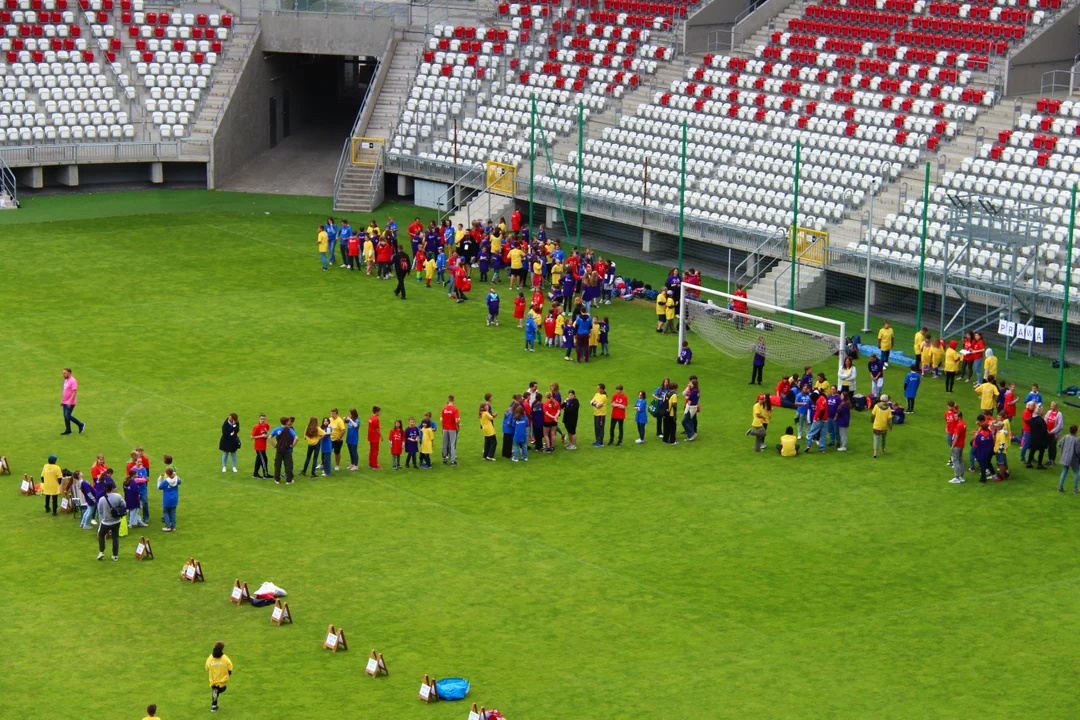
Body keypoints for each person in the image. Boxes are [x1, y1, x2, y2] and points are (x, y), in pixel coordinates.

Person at [96, 478, 125, 561]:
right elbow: (123, 504)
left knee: (101, 535)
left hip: (106, 522)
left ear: (105, 489)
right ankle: (115, 555)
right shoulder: (118, 496)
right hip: (116, 521)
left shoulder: (102, 499)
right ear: (112, 488)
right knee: (115, 538)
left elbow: (100, 511)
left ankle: (101, 551)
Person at [205, 641, 233, 713]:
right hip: (222, 680)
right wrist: (228, 673)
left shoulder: (210, 657)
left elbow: (207, 667)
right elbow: (230, 668)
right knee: (222, 689)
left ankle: (214, 706)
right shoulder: (225, 658)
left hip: (213, 679)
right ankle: (214, 706)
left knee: (215, 690)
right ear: (222, 648)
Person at [269, 416, 297, 484]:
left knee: (278, 465)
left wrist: (274, 445)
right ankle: (289, 480)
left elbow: (269, 438)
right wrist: (292, 445)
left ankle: (277, 479)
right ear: (287, 422)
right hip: (288, 450)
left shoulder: (276, 429)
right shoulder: (289, 430)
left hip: (279, 450)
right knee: (288, 465)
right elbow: (296, 438)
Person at [61, 368, 85, 435]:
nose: (63, 374)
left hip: (70, 402)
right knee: (65, 416)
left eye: (65, 373)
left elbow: (74, 392)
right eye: (63, 373)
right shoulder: (66, 380)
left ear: (69, 373)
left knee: (67, 416)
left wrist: (70, 401)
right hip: (65, 401)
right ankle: (68, 430)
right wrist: (62, 400)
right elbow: (65, 391)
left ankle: (81, 424)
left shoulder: (73, 381)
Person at [157, 466, 180, 531]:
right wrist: (176, 475)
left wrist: (159, 478)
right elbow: (180, 482)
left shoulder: (166, 481)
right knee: (173, 512)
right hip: (174, 499)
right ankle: (173, 527)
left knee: (165, 512)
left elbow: (159, 487)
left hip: (167, 499)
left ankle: (168, 526)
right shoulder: (176, 479)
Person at [1058, 425, 1080, 492]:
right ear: (1076, 431)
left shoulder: (1066, 437)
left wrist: (1064, 449)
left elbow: (1059, 444)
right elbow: (1078, 451)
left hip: (1065, 458)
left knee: (1064, 471)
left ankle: (1060, 488)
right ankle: (1075, 489)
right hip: (1073, 459)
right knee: (1076, 472)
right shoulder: (1077, 440)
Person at [949, 410, 968, 483]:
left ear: (959, 417)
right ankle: (961, 477)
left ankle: (956, 477)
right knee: (960, 460)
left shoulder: (959, 425)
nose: (954, 418)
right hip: (961, 444)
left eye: (955, 416)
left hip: (957, 445)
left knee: (956, 460)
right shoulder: (964, 423)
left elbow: (956, 436)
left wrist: (952, 445)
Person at [441, 395, 460, 466]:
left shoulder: (444, 409)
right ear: (453, 400)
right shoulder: (455, 409)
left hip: (445, 428)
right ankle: (452, 461)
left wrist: (443, 427)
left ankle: (444, 458)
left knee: (444, 443)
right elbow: (456, 420)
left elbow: (442, 420)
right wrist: (457, 427)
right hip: (452, 428)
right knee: (452, 444)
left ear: (448, 400)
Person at [872, 394, 892, 458]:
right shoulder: (888, 408)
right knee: (883, 439)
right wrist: (890, 427)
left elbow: (873, 415)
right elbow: (889, 419)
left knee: (876, 439)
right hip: (884, 426)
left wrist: (872, 421)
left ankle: (875, 452)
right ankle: (883, 449)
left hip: (877, 425)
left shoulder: (876, 406)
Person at [251, 413, 270, 478]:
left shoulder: (266, 425)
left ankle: (255, 473)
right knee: (264, 460)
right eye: (261, 419)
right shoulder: (257, 426)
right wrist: (261, 436)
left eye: (264, 419)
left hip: (263, 446)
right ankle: (265, 474)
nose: (263, 420)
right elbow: (252, 436)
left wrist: (265, 436)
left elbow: (266, 430)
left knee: (258, 460)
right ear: (259, 419)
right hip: (259, 447)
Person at [1046, 401, 1064, 466]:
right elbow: (1045, 420)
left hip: (1054, 434)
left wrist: (1052, 431)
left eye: (1053, 406)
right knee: (1049, 446)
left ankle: (1052, 460)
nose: (1051, 407)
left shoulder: (1059, 414)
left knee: (1053, 446)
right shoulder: (1048, 412)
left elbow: (1060, 425)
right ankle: (1049, 459)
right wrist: (1047, 430)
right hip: (1048, 433)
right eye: (1051, 406)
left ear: (1056, 407)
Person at [590, 383, 608, 447]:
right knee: (596, 427)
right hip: (596, 413)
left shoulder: (604, 396)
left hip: (601, 415)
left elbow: (598, 405)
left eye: (598, 388)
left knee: (600, 428)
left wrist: (594, 403)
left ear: (602, 389)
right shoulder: (597, 394)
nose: (597, 389)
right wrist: (594, 403)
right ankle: (597, 440)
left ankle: (601, 443)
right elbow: (591, 402)